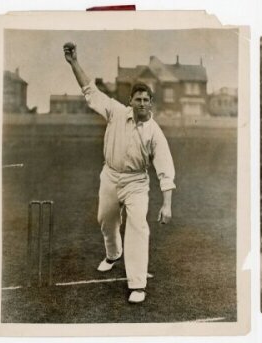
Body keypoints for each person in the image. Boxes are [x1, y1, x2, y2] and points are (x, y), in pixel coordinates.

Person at [63, 42, 176, 303]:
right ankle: (113, 254)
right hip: (110, 176)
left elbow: (165, 170)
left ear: (151, 104)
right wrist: (73, 62)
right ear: (130, 101)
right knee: (106, 219)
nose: (142, 104)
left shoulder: (154, 132)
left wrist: (167, 205)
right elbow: (89, 90)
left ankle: (137, 285)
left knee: (138, 226)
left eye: (147, 100)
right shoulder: (115, 111)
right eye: (138, 99)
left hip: (137, 183)